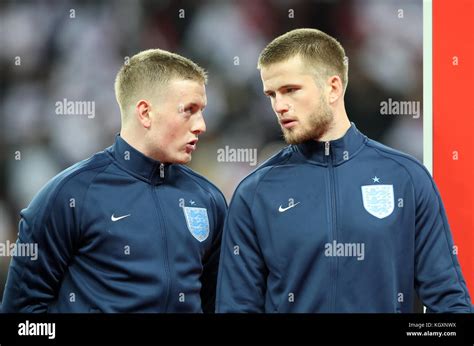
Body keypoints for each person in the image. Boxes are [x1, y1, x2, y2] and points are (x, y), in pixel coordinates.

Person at [216, 28, 472, 313]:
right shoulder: (255, 193)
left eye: (290, 90)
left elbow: (449, 303)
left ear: (333, 87)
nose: (279, 106)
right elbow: (236, 308)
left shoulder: (406, 177)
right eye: (271, 94)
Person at [2, 49, 227, 313]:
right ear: (145, 113)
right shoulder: (70, 195)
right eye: (189, 111)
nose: (201, 125)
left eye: (201, 111)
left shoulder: (208, 199)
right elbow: (22, 320)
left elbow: (218, 305)